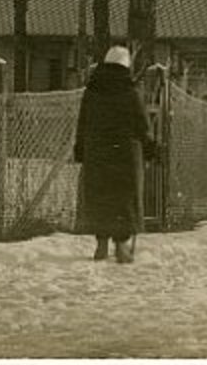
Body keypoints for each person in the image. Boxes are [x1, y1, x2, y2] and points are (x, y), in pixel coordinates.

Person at [73, 45, 155, 263]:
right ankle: (121, 246)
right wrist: (149, 147)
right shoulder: (130, 92)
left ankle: (101, 243)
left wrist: (80, 148)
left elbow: (83, 123)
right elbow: (142, 124)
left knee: (101, 196)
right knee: (123, 198)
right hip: (125, 153)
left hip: (97, 151)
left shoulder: (91, 92)